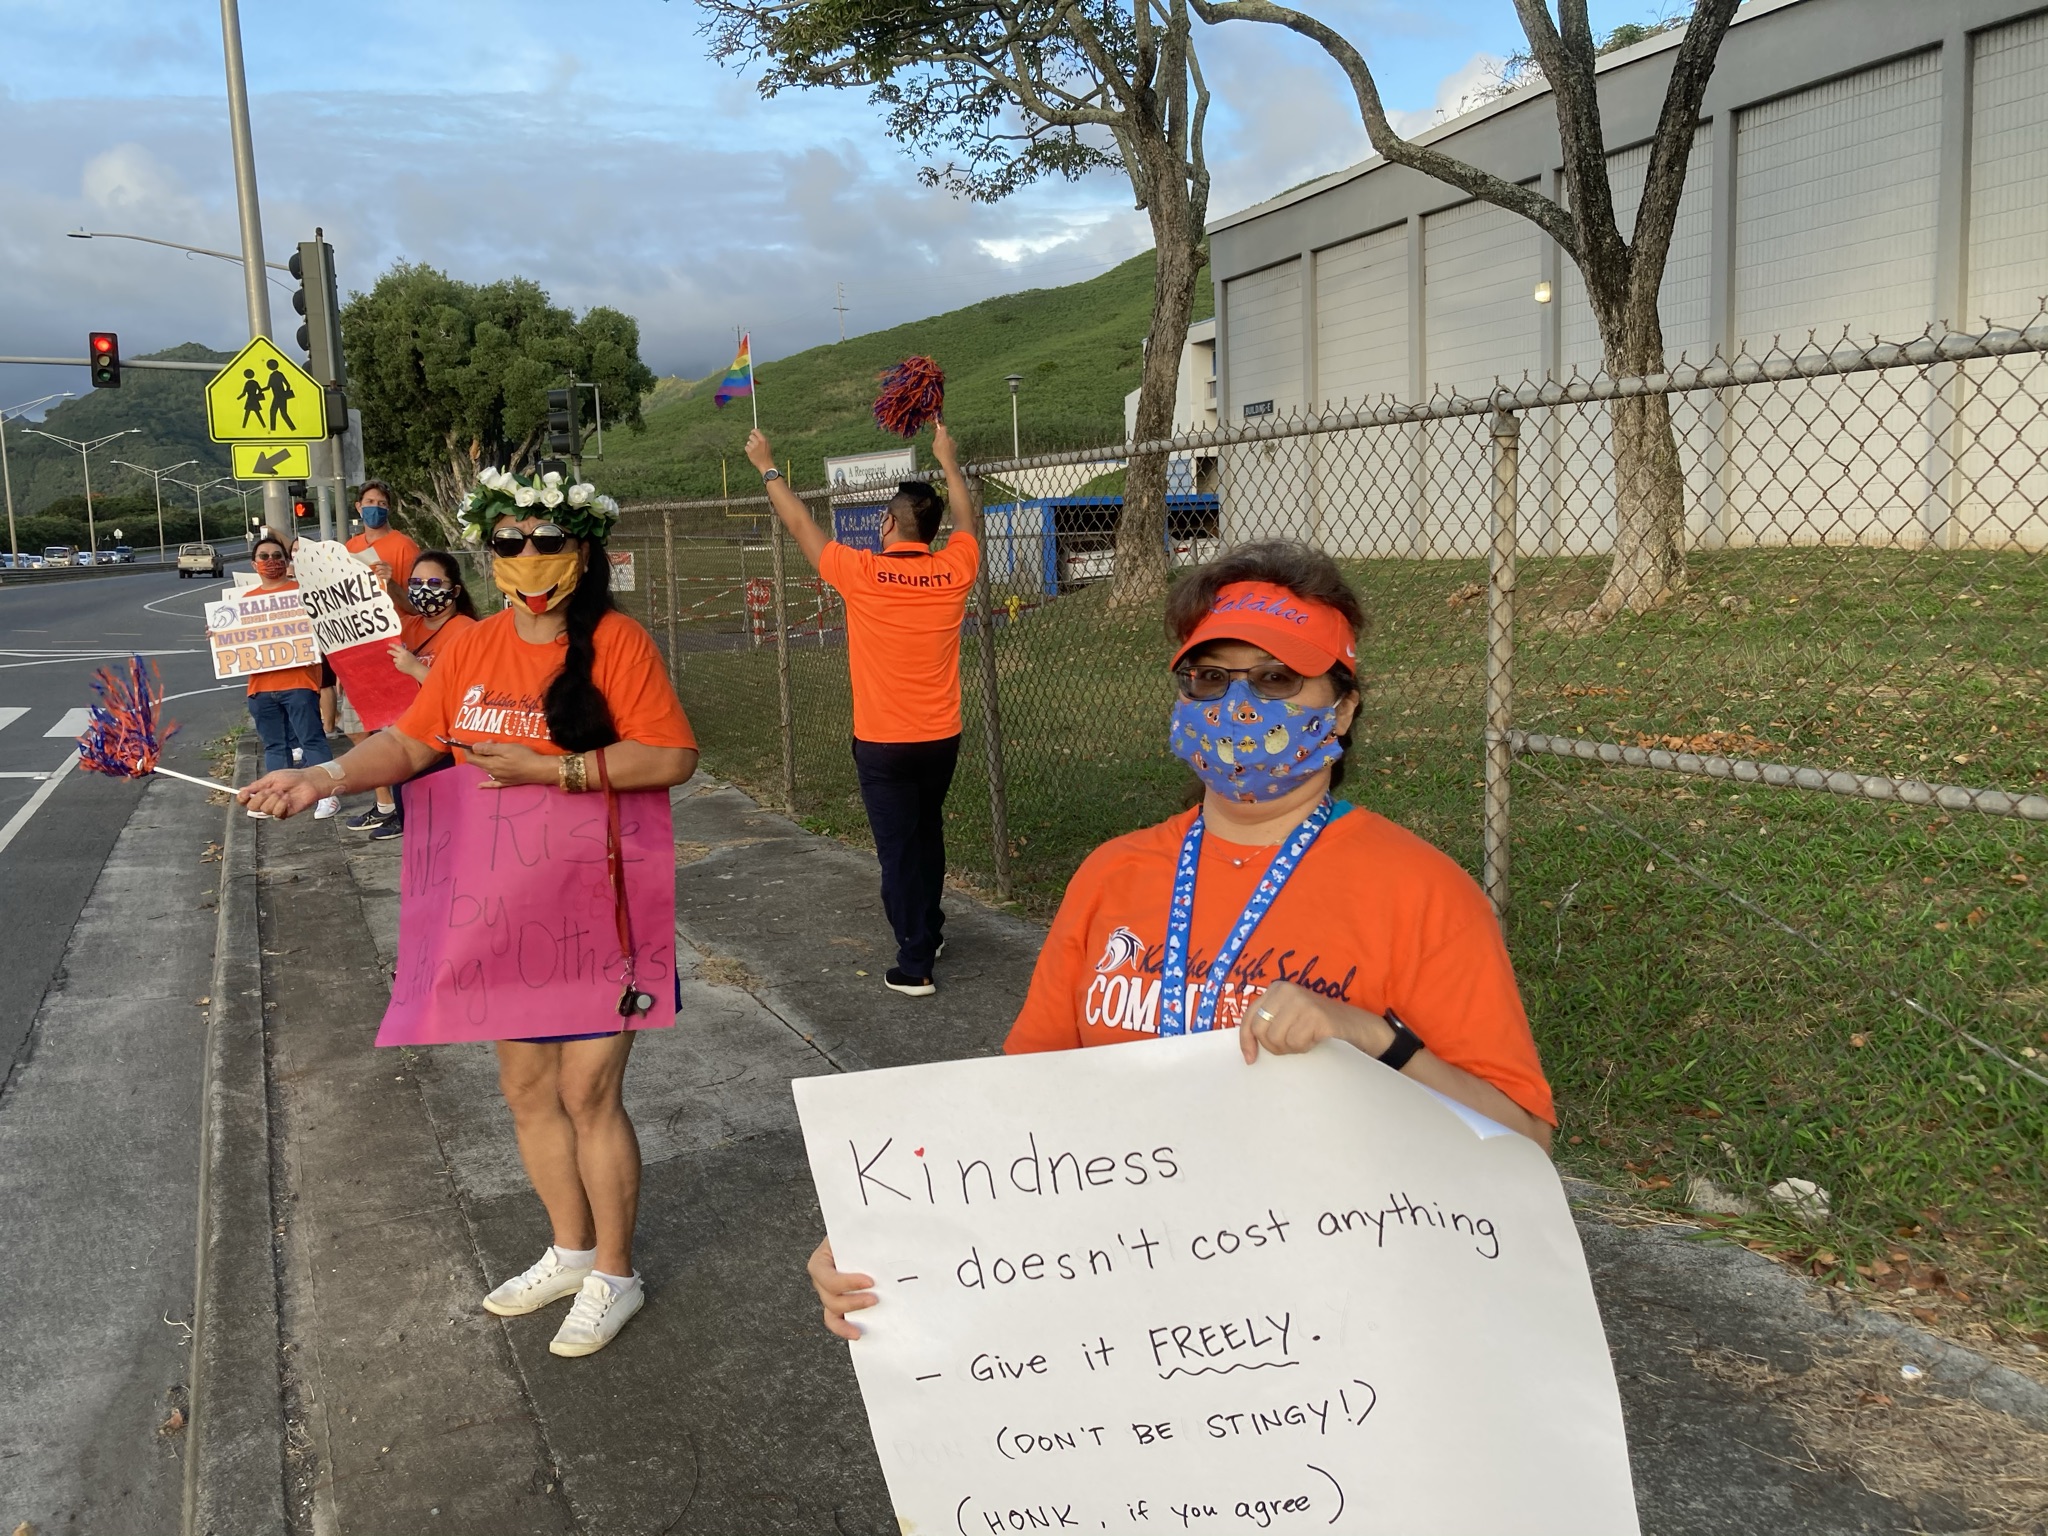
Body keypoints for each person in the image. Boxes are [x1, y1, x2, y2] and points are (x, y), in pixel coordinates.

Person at [804, 541, 1556, 1339]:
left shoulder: (1423, 893)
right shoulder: (1114, 875)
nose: (1238, 704)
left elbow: (1524, 1142)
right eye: (1210, 677)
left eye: (1275, 678)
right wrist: (891, 1228)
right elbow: (1026, 1096)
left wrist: (1369, 1035)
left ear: (1342, 706)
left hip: (1328, 1325)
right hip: (1119, 1307)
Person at [239, 469, 699, 1358]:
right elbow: (416, 740)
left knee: (588, 1092)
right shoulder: (475, 646)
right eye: (509, 543)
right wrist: (322, 775)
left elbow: (672, 756)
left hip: (601, 910)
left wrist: (556, 771)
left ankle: (616, 1273)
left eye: (547, 541)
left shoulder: (619, 642)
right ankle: (568, 1252)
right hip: (504, 908)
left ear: (582, 550)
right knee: (525, 1089)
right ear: (490, 555)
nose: (528, 559)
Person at [746, 422, 978, 997]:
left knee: (899, 849)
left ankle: (915, 961)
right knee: (926, 833)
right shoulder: (954, 570)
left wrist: (767, 467)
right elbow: (968, 524)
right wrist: (949, 462)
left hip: (883, 742)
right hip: (940, 738)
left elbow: (800, 523)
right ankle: (931, 927)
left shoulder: (863, 572)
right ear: (931, 529)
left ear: (888, 523)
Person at [340, 481, 421, 837]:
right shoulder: (350, 548)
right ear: (358, 507)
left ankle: (405, 809)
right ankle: (385, 802)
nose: (376, 507)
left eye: (382, 502)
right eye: (370, 502)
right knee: (356, 726)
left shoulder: (404, 546)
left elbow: (418, 604)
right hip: (358, 652)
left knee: (396, 729)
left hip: (394, 647)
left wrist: (394, 583)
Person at [242, 532, 340, 821]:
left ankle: (328, 796)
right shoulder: (244, 602)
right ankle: (276, 797)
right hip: (261, 688)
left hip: (300, 682)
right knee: (274, 745)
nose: (271, 562)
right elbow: (232, 642)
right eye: (264, 557)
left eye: (277, 557)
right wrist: (219, 636)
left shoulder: (306, 593)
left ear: (287, 562)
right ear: (253, 564)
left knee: (312, 740)